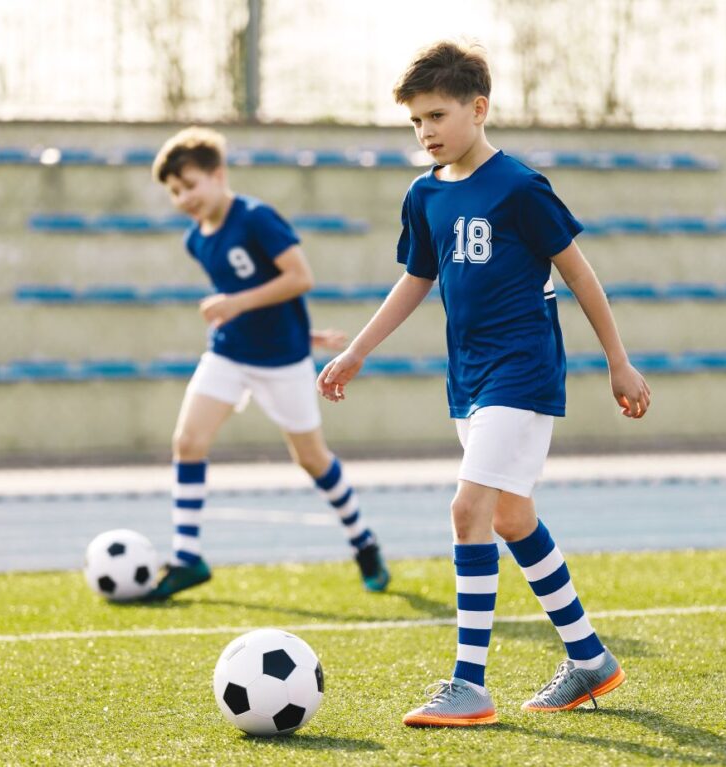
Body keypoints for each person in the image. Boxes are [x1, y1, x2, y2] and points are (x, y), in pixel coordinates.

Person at [317, 41, 651, 726]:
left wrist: (618, 360)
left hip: (522, 370)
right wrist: (356, 351)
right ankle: (590, 658)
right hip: (467, 376)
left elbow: (580, 274)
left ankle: (469, 684)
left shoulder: (520, 187)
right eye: (416, 121)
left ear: (478, 108)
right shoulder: (424, 194)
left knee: (467, 509)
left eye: (436, 115)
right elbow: (416, 279)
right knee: (510, 517)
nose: (426, 131)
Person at [147, 126, 390, 600]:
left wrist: (245, 308)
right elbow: (253, 293)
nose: (183, 198)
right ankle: (187, 557)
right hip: (228, 352)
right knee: (188, 442)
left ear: (218, 175)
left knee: (311, 459)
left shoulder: (257, 218)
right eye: (175, 192)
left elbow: (299, 278)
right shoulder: (196, 240)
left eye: (190, 185)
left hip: (282, 362)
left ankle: (363, 541)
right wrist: (249, 312)